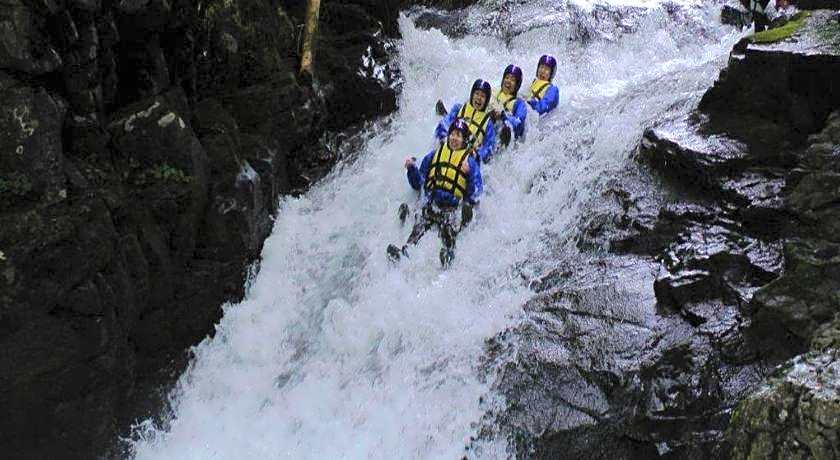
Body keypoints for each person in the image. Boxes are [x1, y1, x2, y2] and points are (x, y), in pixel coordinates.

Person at [388, 119, 482, 267]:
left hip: (452, 208)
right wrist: (412, 169)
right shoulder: (434, 155)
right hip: (433, 204)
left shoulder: (470, 163)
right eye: (452, 134)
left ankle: (449, 255)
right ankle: (405, 253)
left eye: (459, 135)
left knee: (448, 229)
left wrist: (469, 174)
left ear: (464, 140)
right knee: (419, 226)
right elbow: (418, 183)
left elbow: (475, 194)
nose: (454, 138)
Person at [434, 79, 497, 163]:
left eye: (482, 96)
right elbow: (443, 126)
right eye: (477, 94)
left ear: (486, 100)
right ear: (472, 95)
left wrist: (476, 154)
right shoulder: (458, 108)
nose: (479, 98)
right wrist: (445, 139)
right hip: (449, 148)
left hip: (466, 160)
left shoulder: (488, 123)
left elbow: (489, 149)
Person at [489, 64, 528, 145]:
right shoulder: (493, 92)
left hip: (503, 136)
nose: (508, 81)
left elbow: (519, 124)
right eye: (507, 78)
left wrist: (503, 115)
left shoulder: (519, 104)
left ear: (517, 85)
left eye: (513, 80)